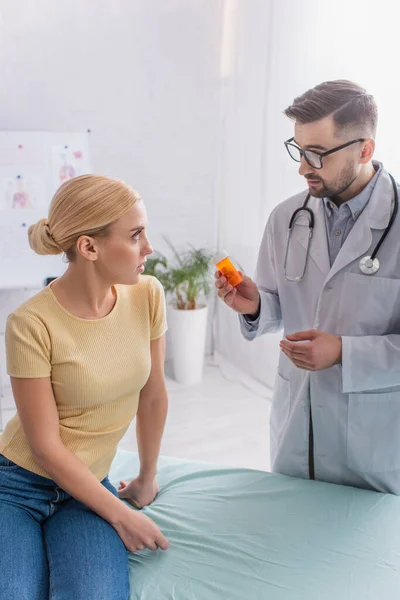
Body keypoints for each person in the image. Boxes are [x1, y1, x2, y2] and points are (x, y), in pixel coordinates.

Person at [215, 80, 400, 494]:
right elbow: (280, 305)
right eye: (298, 151)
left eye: (316, 154)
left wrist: (343, 352)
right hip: (297, 428)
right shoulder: (286, 218)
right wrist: (254, 305)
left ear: (364, 150)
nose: (302, 167)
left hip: (376, 443)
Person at [0, 174, 169, 599]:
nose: (148, 248)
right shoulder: (30, 323)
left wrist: (148, 477)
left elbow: (152, 395)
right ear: (89, 247)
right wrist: (122, 517)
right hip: (16, 486)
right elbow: (44, 446)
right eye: (135, 236)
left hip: (89, 486)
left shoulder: (148, 295)